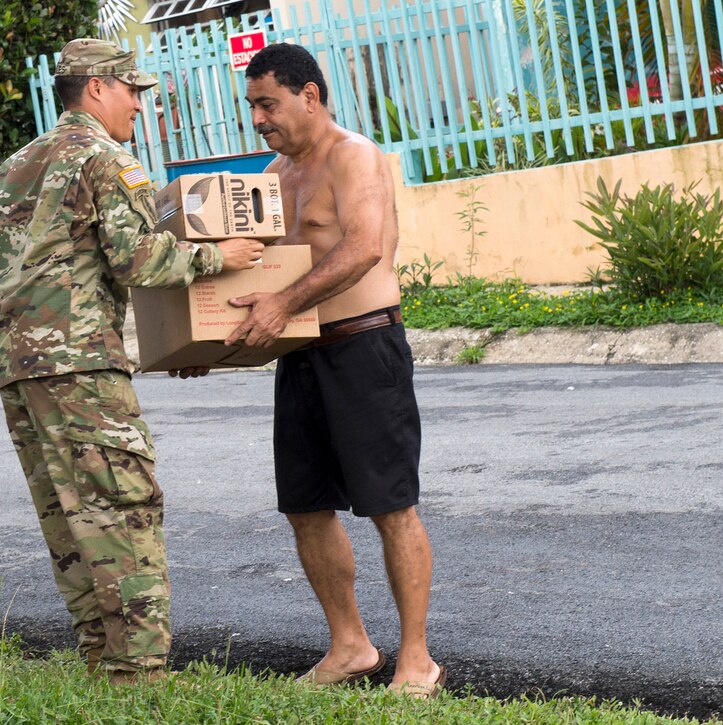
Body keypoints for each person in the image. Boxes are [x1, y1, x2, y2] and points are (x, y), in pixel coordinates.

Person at [0, 38, 264, 684]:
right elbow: (139, 260)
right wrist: (224, 255)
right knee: (124, 506)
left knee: (67, 514)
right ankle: (137, 673)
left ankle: (100, 658)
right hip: (82, 362)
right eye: (131, 90)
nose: (139, 104)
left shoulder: (13, 168)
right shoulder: (106, 160)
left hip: (18, 366)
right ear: (96, 89)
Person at [224, 43, 445, 698]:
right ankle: (350, 645)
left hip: (363, 348)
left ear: (309, 96)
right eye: (253, 106)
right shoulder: (275, 175)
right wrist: (205, 348)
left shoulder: (354, 155)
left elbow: (362, 247)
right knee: (306, 506)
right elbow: (253, 280)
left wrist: (283, 304)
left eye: (268, 103)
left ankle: (416, 658)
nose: (259, 118)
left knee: (390, 505)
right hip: (300, 357)